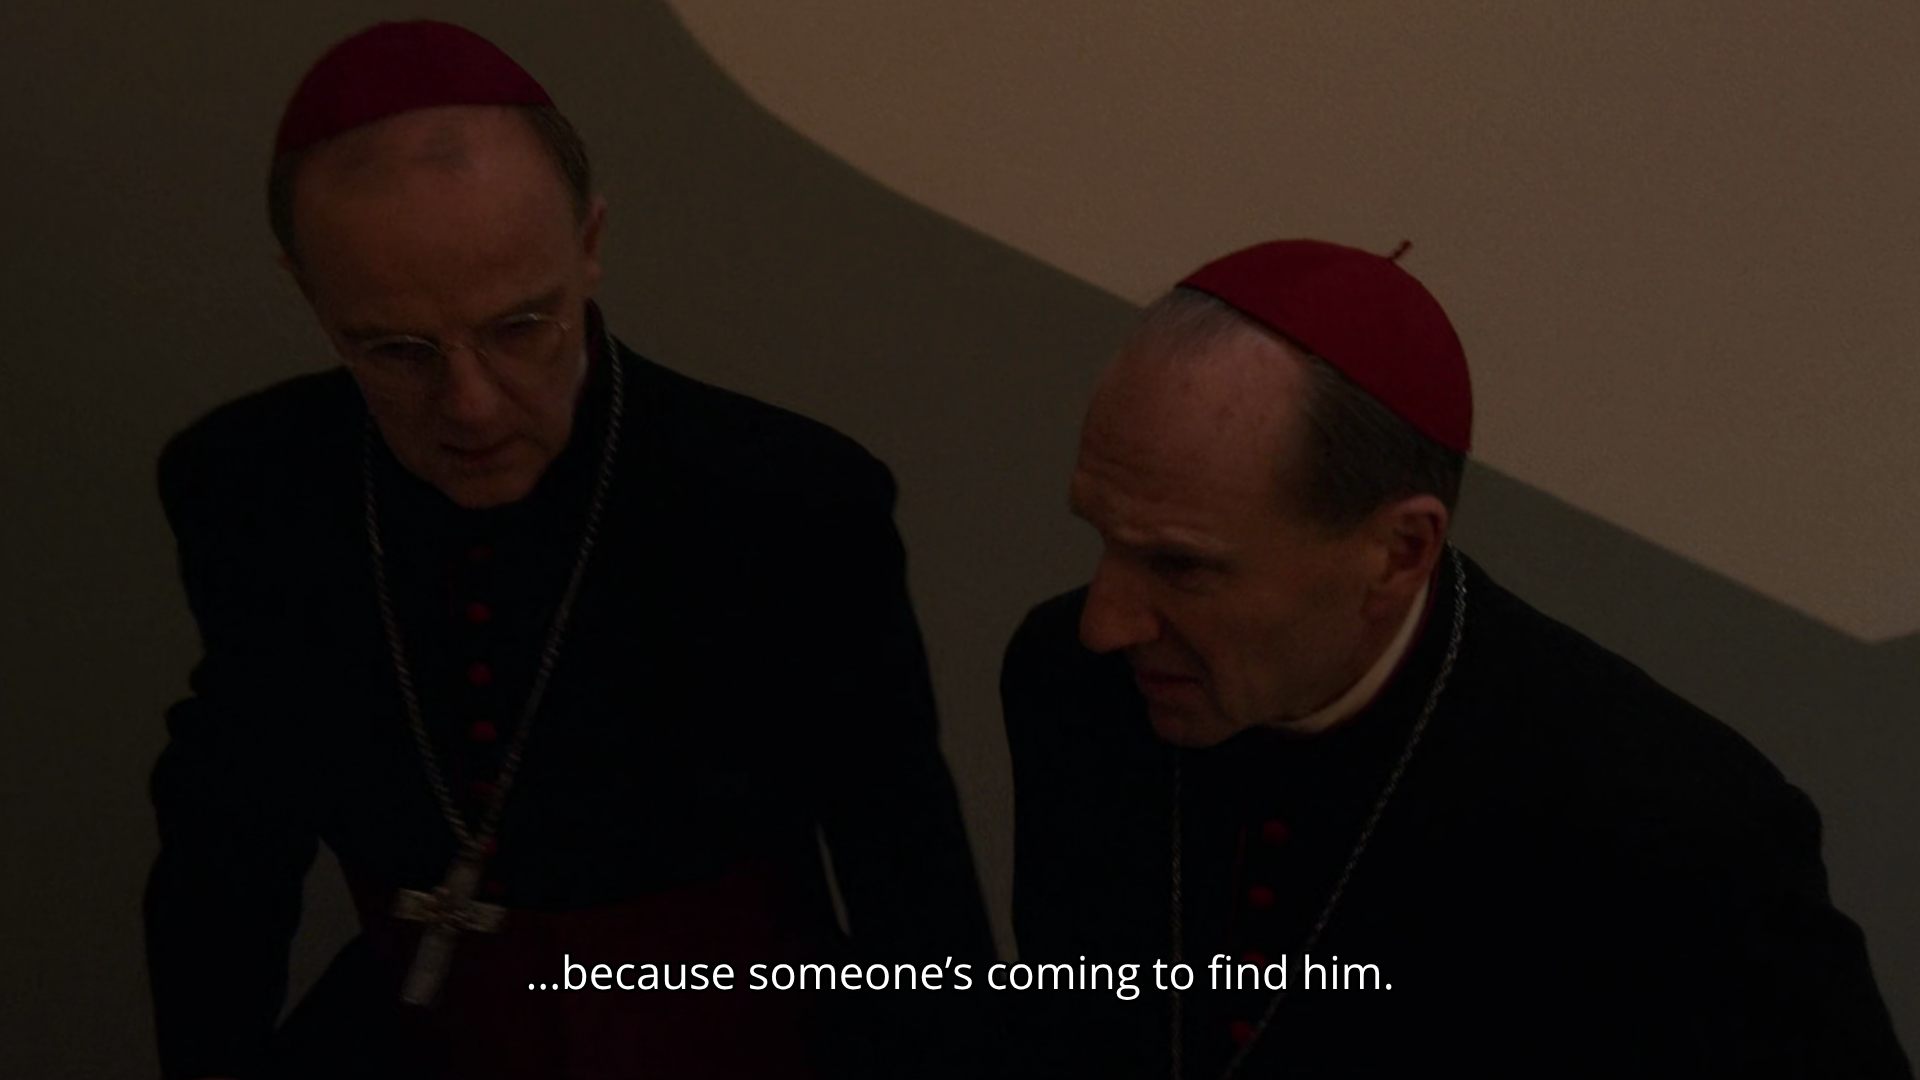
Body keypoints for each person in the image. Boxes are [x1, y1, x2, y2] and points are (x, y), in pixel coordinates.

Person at [143, 20, 993, 1080]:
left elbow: (905, 869)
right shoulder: (250, 485)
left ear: (589, 245)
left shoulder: (786, 498)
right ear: (308, 291)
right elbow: (228, 846)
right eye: (396, 350)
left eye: (519, 326)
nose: (470, 406)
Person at [999, 239, 1911, 1078]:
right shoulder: (1069, 685)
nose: (1105, 624)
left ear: (1398, 553)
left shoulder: (1677, 829)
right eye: (1102, 536)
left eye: (1182, 566)